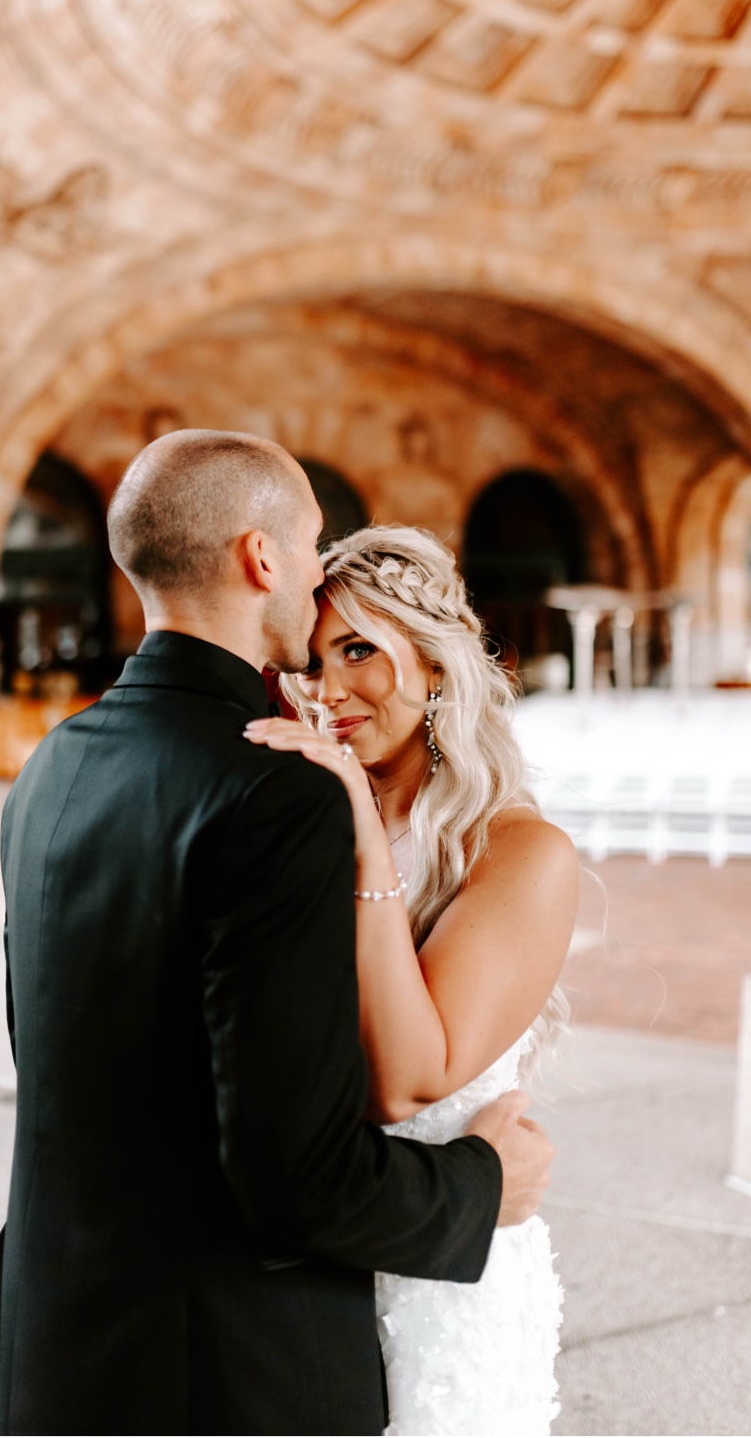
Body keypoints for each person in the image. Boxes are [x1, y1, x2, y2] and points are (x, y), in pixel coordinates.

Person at [0, 430, 555, 1435]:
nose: (314, 576)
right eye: (309, 547)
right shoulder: (277, 795)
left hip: (65, 1342)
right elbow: (291, 1175)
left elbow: (73, 1067)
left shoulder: (54, 764)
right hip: (225, 1365)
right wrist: (479, 1184)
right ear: (262, 559)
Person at [246, 524, 575, 1434]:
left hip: (446, 1282)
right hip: (304, 1267)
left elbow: (405, 1078)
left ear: (434, 665)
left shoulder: (520, 853)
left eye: (360, 649)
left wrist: (356, 820)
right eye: (311, 660)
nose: (330, 688)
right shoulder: (297, 817)